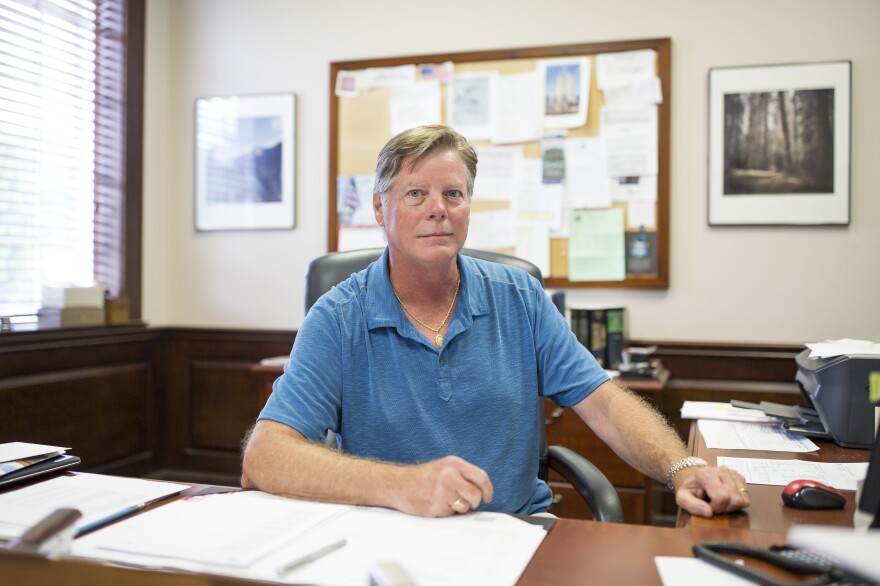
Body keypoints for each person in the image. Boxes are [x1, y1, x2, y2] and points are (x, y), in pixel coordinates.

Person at [241, 125, 750, 519]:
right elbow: (264, 458)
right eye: (415, 194)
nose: (438, 210)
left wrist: (682, 468)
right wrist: (401, 485)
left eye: (454, 194)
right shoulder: (338, 317)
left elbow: (604, 402)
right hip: (392, 535)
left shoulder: (519, 298)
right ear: (379, 207)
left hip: (515, 530)